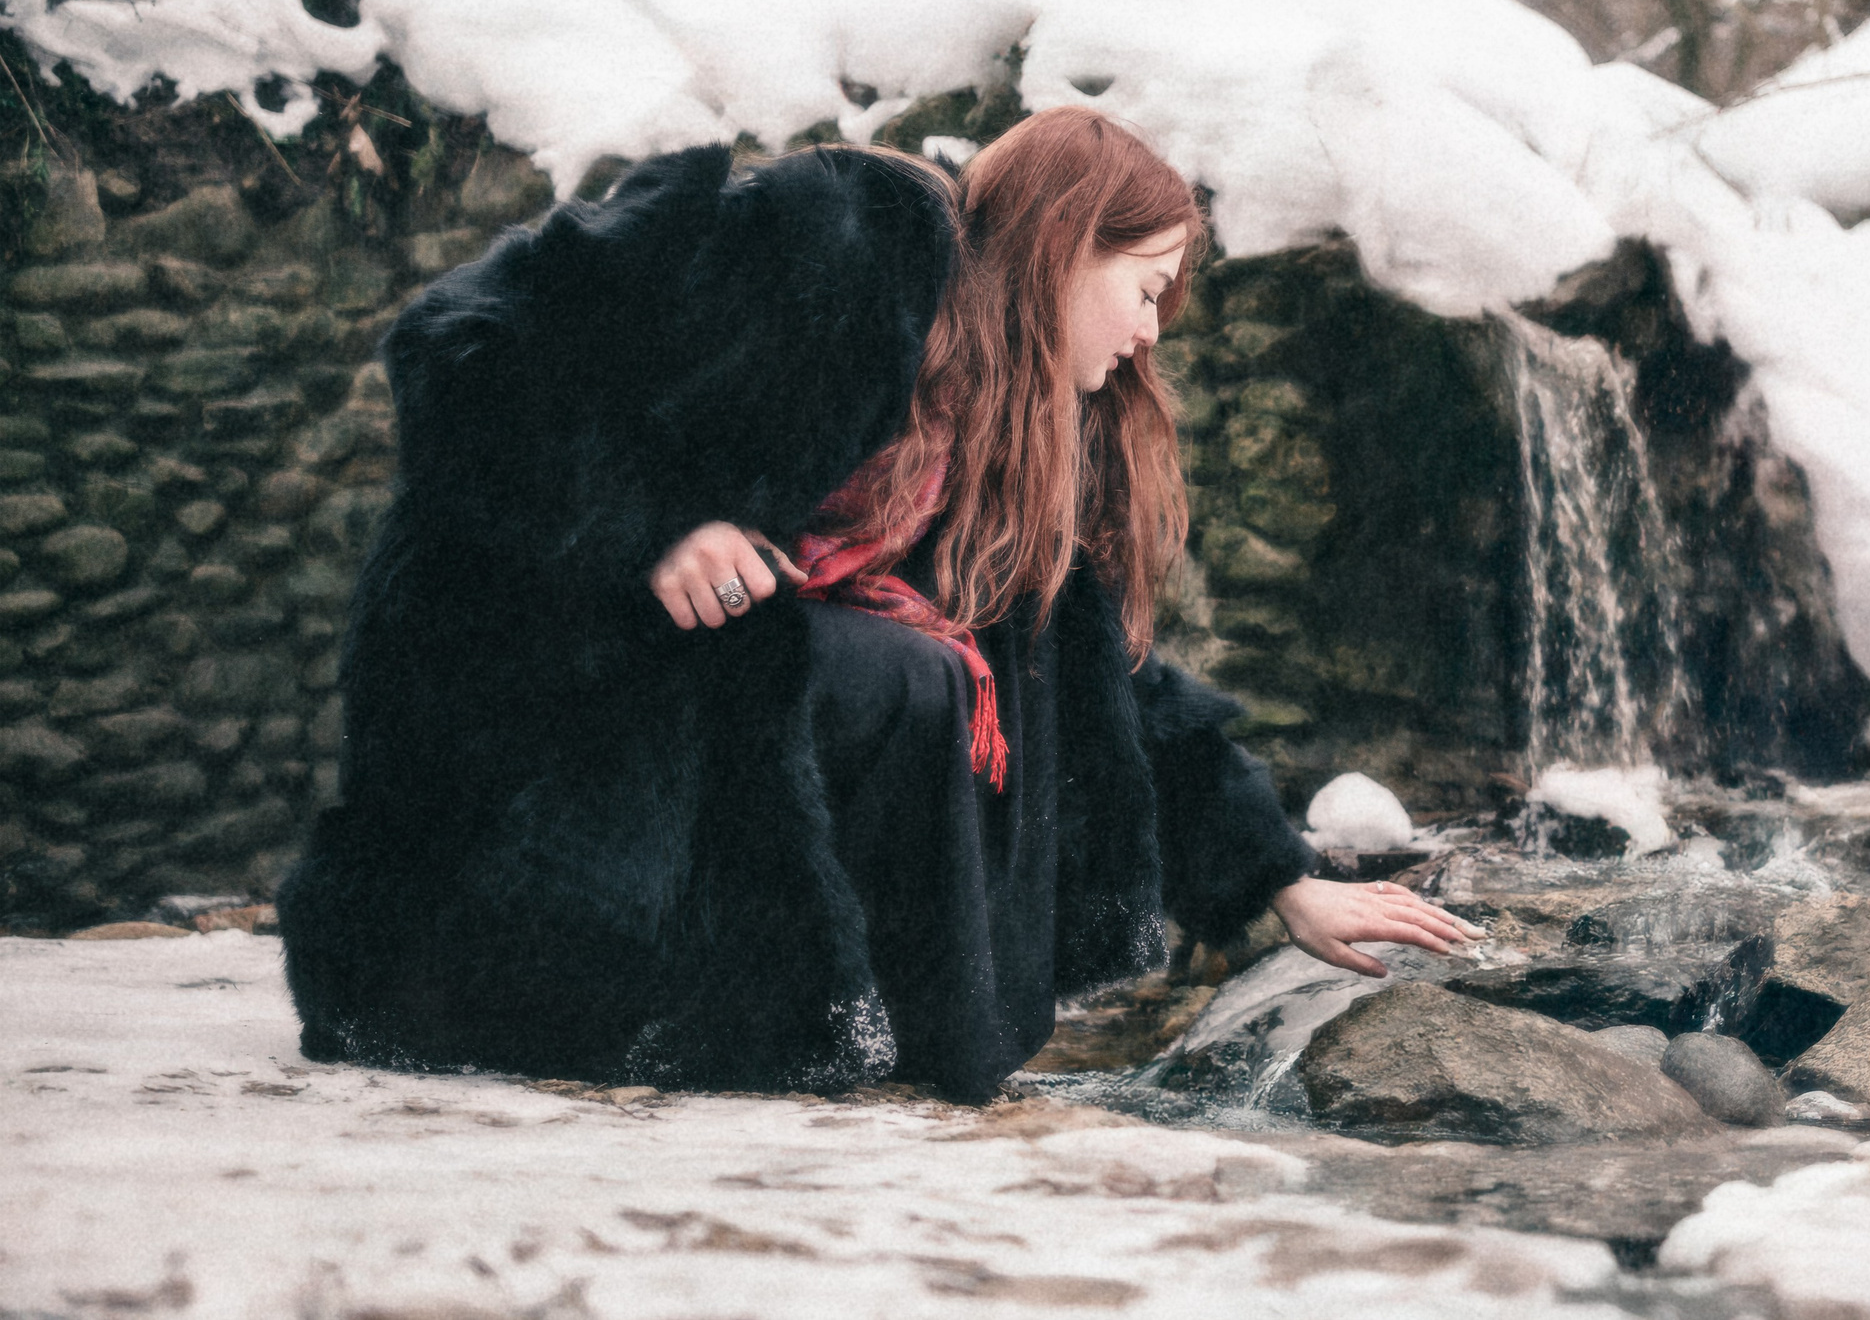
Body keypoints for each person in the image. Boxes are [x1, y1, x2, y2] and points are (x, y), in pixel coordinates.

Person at [278, 106, 1474, 1102]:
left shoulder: (1001, 443)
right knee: (912, 674)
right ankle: (621, 997)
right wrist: (654, 524)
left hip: (668, 730)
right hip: (512, 725)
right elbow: (468, 338)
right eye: (1148, 287)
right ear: (1067, 242)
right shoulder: (843, 239)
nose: (1152, 332)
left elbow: (1112, 692)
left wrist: (1274, 876)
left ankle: (845, 1032)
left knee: (943, 669)